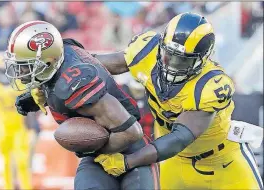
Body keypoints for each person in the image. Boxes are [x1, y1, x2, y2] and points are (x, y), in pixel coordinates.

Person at [92, 12, 263, 189]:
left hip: (223, 162)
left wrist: (128, 162)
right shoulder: (146, 52)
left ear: (202, 60)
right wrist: (70, 61)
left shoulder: (209, 86)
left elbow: (179, 138)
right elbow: (94, 64)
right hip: (173, 162)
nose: (171, 65)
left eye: (182, 61)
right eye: (168, 56)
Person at [4, 21, 159, 190]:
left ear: (48, 61)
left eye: (26, 65)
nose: (20, 72)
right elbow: (100, 65)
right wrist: (44, 94)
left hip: (131, 152)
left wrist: (96, 151)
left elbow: (131, 132)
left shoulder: (74, 86)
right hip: (97, 158)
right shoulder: (65, 54)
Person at [0, 53, 32, 189]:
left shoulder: (19, 84)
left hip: (19, 128)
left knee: (22, 161)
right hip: (3, 128)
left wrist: (31, 127)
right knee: (5, 162)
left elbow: (29, 106)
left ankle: (26, 187)